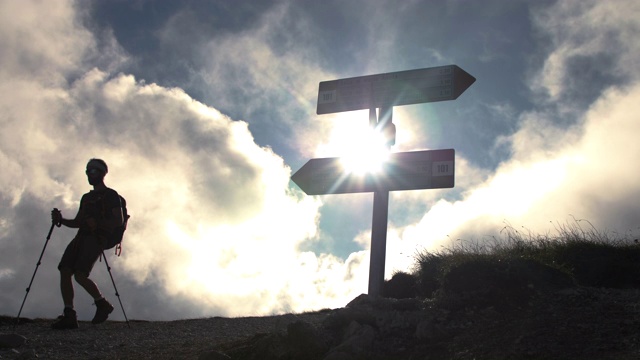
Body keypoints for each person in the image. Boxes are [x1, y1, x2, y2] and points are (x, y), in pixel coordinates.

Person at [50, 158, 124, 329]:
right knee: (65, 270)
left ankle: (102, 304)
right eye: (87, 171)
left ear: (102, 173)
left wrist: (97, 224)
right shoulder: (87, 197)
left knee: (80, 275)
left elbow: (118, 220)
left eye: (93, 171)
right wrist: (61, 220)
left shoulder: (111, 195)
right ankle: (69, 314)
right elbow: (78, 221)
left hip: (96, 238)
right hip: (81, 237)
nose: (89, 175)